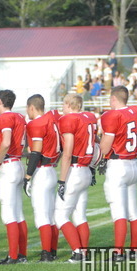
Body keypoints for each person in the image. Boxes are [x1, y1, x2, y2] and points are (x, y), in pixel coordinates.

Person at [99, 86, 137, 261]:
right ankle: (134, 250)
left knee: (119, 212)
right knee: (133, 211)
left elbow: (105, 148)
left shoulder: (112, 116)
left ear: (113, 99)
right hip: (133, 164)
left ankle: (118, 253)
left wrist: (98, 147)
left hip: (118, 166)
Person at [54, 94, 98, 262]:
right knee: (79, 215)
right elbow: (96, 143)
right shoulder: (90, 117)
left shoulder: (68, 120)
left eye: (63, 104)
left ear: (68, 104)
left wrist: (62, 180)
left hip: (74, 170)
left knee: (60, 216)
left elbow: (67, 153)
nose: (62, 108)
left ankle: (78, 252)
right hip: (86, 169)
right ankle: (84, 252)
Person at [0, 90, 28, 265]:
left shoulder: (4, 118)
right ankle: (21, 254)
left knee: (8, 213)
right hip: (18, 163)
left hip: (9, 164)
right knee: (18, 212)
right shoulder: (20, 117)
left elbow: (6, 142)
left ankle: (13, 255)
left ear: (0, 101)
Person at [24, 94, 62, 261]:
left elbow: (36, 152)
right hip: (52, 169)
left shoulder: (37, 123)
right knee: (50, 214)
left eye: (27, 108)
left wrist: (27, 176)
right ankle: (52, 251)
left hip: (42, 172)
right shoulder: (52, 120)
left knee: (41, 214)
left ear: (32, 107)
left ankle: (46, 253)